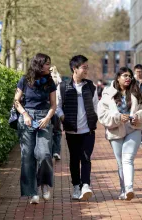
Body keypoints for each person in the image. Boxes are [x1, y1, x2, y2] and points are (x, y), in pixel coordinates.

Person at [98, 67, 142, 201]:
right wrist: (117, 118)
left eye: (130, 76)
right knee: (120, 162)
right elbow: (102, 114)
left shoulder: (137, 92)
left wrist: (138, 116)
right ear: (117, 77)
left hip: (133, 129)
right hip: (115, 130)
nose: (128, 78)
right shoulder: (108, 93)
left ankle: (129, 188)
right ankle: (123, 189)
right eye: (124, 75)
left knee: (127, 159)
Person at [14, 53, 57, 204]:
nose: (49, 66)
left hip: (44, 118)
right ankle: (32, 192)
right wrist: (25, 115)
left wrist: (47, 118)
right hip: (27, 119)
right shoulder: (24, 80)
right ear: (38, 65)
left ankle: (44, 184)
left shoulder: (50, 81)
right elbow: (16, 101)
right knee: (27, 157)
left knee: (44, 153)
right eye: (46, 64)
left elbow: (53, 105)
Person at [55, 55, 99, 201]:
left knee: (86, 158)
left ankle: (86, 185)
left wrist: (94, 118)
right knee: (74, 159)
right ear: (75, 68)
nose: (86, 70)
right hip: (71, 130)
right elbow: (57, 106)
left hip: (88, 131)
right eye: (84, 67)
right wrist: (62, 117)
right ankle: (76, 186)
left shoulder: (91, 87)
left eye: (87, 67)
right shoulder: (62, 87)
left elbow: (95, 106)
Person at [50, 66, 62, 160]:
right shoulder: (58, 80)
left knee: (48, 131)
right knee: (57, 132)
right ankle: (56, 151)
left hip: (47, 110)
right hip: (56, 110)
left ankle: (49, 151)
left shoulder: (44, 80)